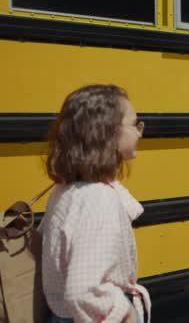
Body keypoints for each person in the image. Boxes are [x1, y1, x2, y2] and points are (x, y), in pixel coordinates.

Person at [40, 85, 150, 323]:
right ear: (107, 132)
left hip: (62, 314)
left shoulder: (66, 189)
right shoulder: (98, 198)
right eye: (134, 124)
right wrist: (126, 313)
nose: (140, 133)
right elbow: (83, 290)